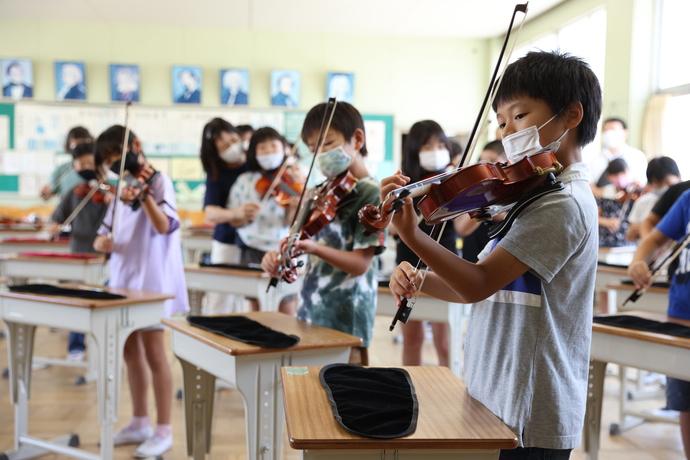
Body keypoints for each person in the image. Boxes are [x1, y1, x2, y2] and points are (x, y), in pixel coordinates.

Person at [384, 50, 602, 458]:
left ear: (572, 115)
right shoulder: (533, 196)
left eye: (519, 116)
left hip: (531, 406)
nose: (506, 132)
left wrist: (413, 235)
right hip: (499, 389)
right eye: (500, 122)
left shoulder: (564, 204)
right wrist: (423, 280)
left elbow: (478, 285)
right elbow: (490, 285)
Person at [261, 101, 386, 366]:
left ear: (357, 139)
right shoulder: (320, 191)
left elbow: (361, 264)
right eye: (313, 149)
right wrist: (276, 259)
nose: (321, 154)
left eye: (327, 144)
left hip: (347, 318)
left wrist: (315, 248)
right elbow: (298, 242)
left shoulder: (370, 193)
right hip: (310, 311)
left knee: (345, 398)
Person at [93, 125, 188, 458]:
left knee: (155, 354)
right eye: (107, 160)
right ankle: (139, 422)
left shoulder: (158, 181)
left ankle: (163, 430)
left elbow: (165, 226)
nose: (113, 163)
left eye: (115, 155)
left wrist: (144, 195)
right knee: (130, 352)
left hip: (151, 281)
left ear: (136, 146)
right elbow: (104, 232)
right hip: (121, 279)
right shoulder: (119, 191)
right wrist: (100, 242)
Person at [628, 189, 690, 459]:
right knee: (686, 401)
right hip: (682, 311)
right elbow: (653, 239)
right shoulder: (688, 198)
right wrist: (638, 260)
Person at [394, 120, 454, 367]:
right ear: (414, 150)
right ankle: (410, 391)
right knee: (412, 338)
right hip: (407, 260)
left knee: (444, 340)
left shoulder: (451, 181)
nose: (436, 150)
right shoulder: (403, 187)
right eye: (427, 146)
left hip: (445, 260)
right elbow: (392, 230)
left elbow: (462, 226)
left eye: (441, 144)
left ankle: (450, 392)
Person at [49, 142, 112, 361]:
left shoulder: (111, 193)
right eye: (80, 164)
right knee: (76, 301)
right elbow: (56, 219)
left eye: (89, 163)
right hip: (77, 254)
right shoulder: (73, 193)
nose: (85, 168)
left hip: (102, 258)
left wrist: (109, 198)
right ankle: (76, 346)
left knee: (100, 303)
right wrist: (55, 226)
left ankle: (104, 349)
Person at [228, 127, 300, 314]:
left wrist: (294, 205)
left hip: (281, 248)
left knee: (286, 303)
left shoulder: (292, 178)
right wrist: (241, 215)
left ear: (284, 148)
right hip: (251, 247)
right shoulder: (244, 180)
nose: (268, 151)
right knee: (256, 306)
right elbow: (234, 221)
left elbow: (291, 222)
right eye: (262, 147)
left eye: (273, 145)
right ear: (253, 152)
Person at [200, 118, 248, 314]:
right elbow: (209, 212)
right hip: (227, 240)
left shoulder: (255, 163)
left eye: (234, 139)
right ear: (216, 153)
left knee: (251, 300)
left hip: (257, 241)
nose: (232, 147)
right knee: (221, 299)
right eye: (225, 146)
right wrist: (235, 213)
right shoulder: (216, 174)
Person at [626, 156, 681, 242]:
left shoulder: (683, 201)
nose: (664, 188)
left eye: (668, 183)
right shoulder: (642, 202)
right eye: (658, 185)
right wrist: (637, 231)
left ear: (679, 177)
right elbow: (630, 236)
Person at [589, 117, 647, 198]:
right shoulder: (596, 159)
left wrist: (603, 192)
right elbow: (589, 185)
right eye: (606, 130)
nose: (609, 133)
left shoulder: (637, 156)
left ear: (625, 133)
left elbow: (640, 184)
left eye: (613, 129)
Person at [40, 126, 93, 200]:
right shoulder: (62, 169)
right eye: (74, 145)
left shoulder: (99, 169)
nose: (79, 149)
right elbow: (46, 196)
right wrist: (44, 193)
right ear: (68, 145)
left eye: (82, 144)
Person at [597, 158, 637, 248]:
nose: (620, 177)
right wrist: (606, 221)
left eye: (623, 173)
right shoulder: (605, 192)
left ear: (629, 172)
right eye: (615, 174)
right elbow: (594, 216)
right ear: (609, 177)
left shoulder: (635, 193)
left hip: (629, 244)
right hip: (605, 242)